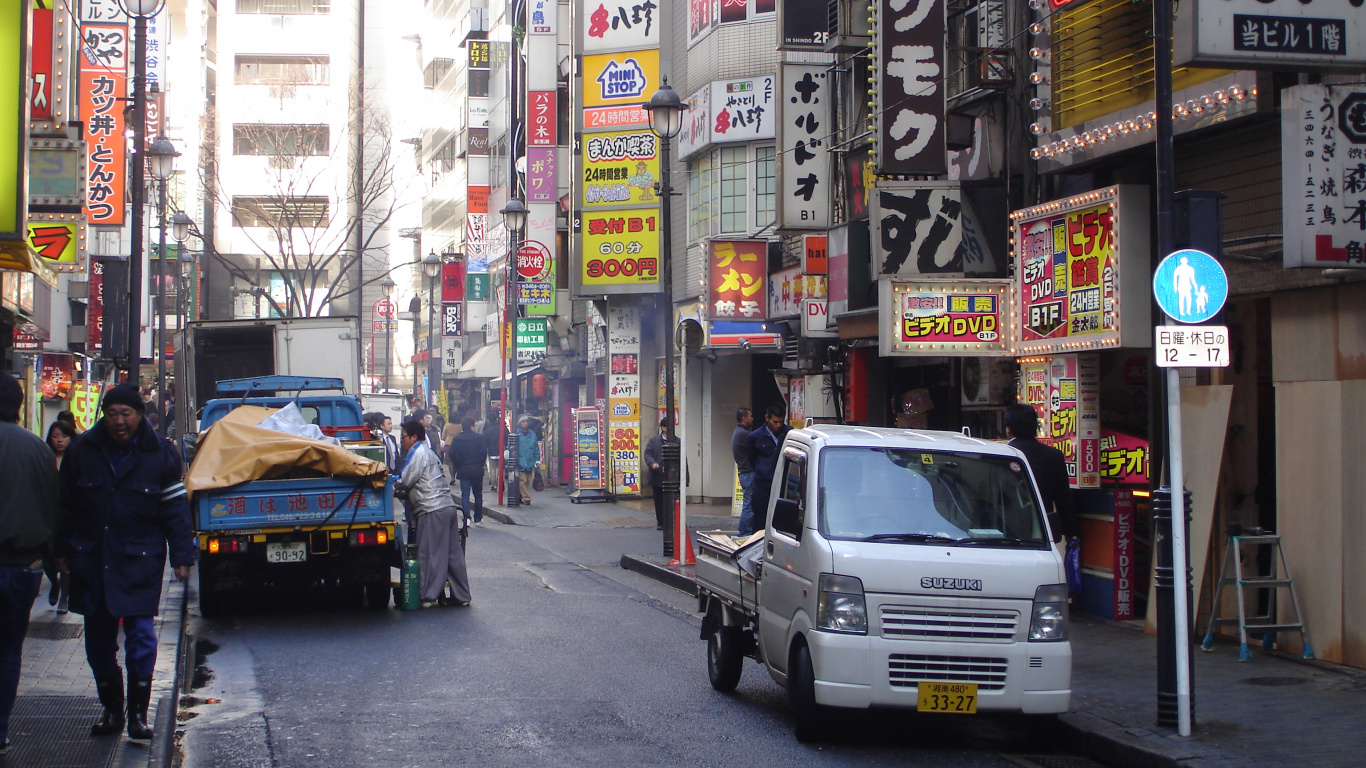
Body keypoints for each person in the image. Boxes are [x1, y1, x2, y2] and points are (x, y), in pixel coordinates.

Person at [56, 382, 194, 740]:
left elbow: (175, 510)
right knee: (98, 645)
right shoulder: (81, 451)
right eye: (112, 413)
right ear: (104, 414)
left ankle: (138, 715)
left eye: (126, 414)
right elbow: (64, 505)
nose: (119, 421)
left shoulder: (161, 454)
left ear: (139, 416)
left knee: (142, 639)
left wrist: (182, 556)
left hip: (139, 561)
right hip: (92, 561)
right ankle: (112, 709)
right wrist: (59, 550)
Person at [0, 374, 60, 751]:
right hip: (22, 565)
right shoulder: (38, 450)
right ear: (21, 406)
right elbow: (52, 509)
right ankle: (1, 729)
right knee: (8, 651)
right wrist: (52, 565)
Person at [394, 420, 470, 608]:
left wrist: (390, 486)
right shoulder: (429, 452)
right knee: (453, 555)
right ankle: (462, 595)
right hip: (448, 507)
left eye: (403, 436)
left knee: (430, 553)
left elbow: (405, 481)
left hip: (432, 509)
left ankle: (428, 595)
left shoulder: (418, 454)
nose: (401, 440)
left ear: (413, 437)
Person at [1003, 404, 1076, 545]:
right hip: (1043, 532)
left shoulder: (1002, 454)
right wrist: (1070, 533)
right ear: (1035, 427)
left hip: (1006, 530)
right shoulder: (1053, 456)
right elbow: (1064, 499)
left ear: (1009, 429)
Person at [44, 421, 78, 614]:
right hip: (47, 516)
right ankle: (54, 583)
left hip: (66, 517)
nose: (59, 440)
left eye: (63, 436)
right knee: (47, 559)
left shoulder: (74, 459)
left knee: (65, 557)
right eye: (55, 436)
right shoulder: (45, 457)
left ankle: (64, 596)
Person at [745, 403, 791, 536]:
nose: (778, 425)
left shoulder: (789, 433)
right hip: (763, 484)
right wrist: (762, 471)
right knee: (760, 519)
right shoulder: (756, 436)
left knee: (782, 521)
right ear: (767, 418)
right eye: (775, 422)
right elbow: (751, 458)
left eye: (781, 422)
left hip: (783, 485)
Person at [447, 417, 487, 525]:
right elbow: (484, 452)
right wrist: (480, 463)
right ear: (471, 426)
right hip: (477, 469)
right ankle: (478, 517)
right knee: (478, 494)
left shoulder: (457, 439)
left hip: (463, 468)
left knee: (465, 494)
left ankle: (466, 518)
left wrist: (458, 463)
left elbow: (451, 454)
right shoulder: (479, 438)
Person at [643, 417, 677, 531]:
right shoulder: (654, 441)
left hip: (672, 478)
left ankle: (672, 521)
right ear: (663, 428)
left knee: (673, 501)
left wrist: (685, 479)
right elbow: (647, 454)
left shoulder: (678, 441)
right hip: (657, 476)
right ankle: (661, 522)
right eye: (668, 426)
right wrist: (652, 463)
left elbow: (683, 461)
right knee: (659, 501)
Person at [730, 408, 756, 536]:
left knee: (749, 503)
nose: (752, 418)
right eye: (750, 416)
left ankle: (745, 530)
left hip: (744, 472)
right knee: (749, 504)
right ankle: (744, 531)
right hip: (748, 473)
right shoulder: (744, 434)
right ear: (744, 418)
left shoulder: (738, 432)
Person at [514, 417, 540, 504]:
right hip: (520, 461)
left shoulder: (532, 434)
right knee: (523, 481)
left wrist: (537, 459)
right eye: (523, 422)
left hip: (530, 461)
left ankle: (520, 495)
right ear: (519, 423)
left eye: (526, 422)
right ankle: (527, 498)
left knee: (528, 480)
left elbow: (536, 447)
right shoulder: (516, 434)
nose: (525, 423)